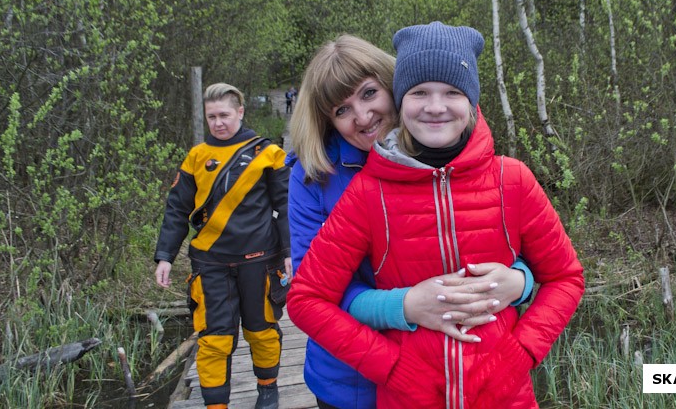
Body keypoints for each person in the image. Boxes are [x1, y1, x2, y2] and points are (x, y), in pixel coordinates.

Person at [288, 23, 584, 408]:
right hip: (363, 380)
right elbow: (309, 295)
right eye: (343, 110)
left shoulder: (508, 177)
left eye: (370, 94)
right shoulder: (346, 185)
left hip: (496, 391)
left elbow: (562, 274)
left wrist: (521, 301)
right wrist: (403, 320)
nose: (362, 117)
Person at [154, 83, 292, 409]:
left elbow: (287, 205)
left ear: (240, 112)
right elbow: (177, 209)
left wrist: (289, 252)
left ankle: (268, 390)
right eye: (211, 116)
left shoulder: (268, 153)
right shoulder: (196, 157)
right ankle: (216, 405)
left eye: (225, 115)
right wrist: (165, 256)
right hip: (210, 263)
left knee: (262, 331)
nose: (218, 122)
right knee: (214, 340)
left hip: (260, 259)